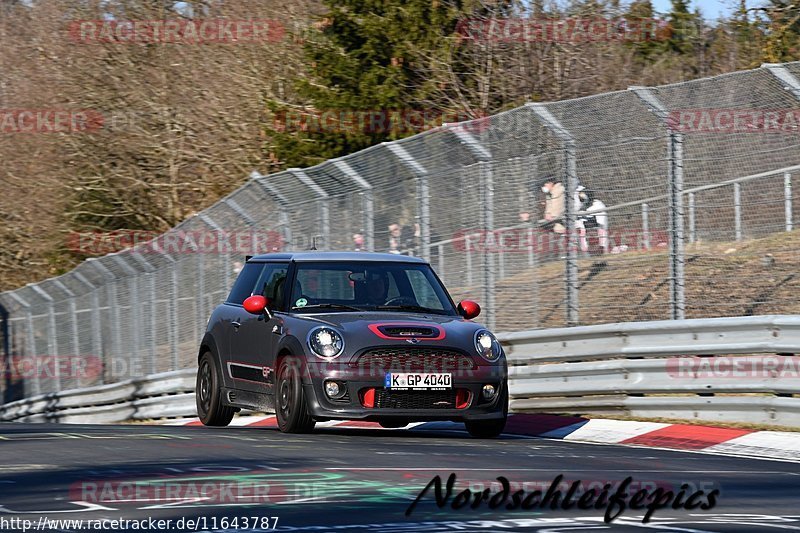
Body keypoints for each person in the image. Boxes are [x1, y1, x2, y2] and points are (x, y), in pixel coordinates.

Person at [576, 186, 609, 255]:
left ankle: (602, 249)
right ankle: (584, 251)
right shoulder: (581, 209)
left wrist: (602, 245)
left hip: (597, 232)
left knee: (601, 231)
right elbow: (580, 227)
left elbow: (602, 227)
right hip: (587, 234)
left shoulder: (598, 206)